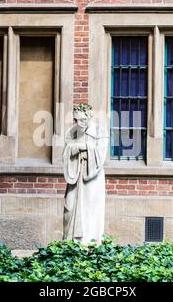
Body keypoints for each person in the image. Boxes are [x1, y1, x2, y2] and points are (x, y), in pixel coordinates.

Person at [62, 103, 109, 244]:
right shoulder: (72, 132)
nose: (78, 123)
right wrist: (79, 148)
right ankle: (69, 243)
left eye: (82, 120)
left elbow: (100, 156)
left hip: (92, 177)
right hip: (75, 174)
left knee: (91, 209)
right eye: (76, 120)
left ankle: (89, 243)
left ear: (89, 117)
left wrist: (83, 147)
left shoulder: (100, 131)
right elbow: (65, 154)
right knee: (69, 207)